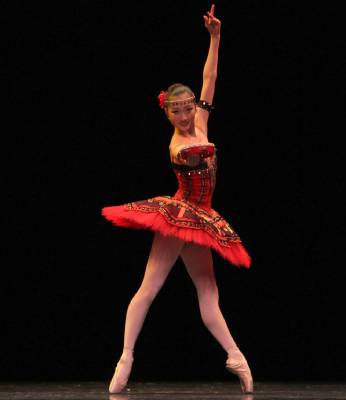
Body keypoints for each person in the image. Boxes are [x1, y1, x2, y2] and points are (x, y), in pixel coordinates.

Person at [101, 4, 253, 394]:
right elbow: (186, 158)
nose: (186, 117)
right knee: (149, 288)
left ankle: (236, 356)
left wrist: (215, 38)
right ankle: (126, 357)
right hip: (179, 216)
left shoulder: (201, 121)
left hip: (202, 219)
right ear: (168, 115)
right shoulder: (177, 143)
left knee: (209, 292)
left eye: (189, 110)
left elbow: (210, 76)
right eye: (178, 112)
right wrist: (199, 151)